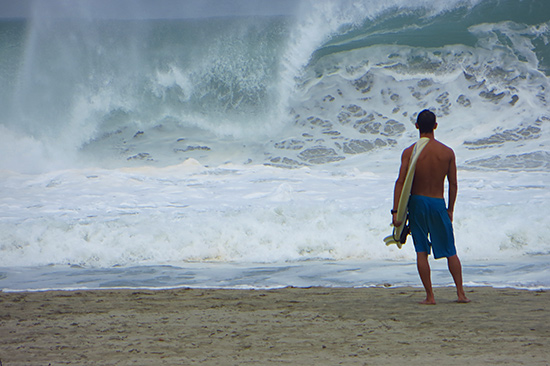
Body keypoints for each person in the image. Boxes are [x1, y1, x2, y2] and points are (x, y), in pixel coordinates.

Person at [392, 109, 470, 305]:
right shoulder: (447, 153)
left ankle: (430, 296)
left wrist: (396, 212)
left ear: (416, 126)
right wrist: (450, 209)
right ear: (435, 126)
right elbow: (453, 184)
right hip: (438, 203)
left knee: (421, 251)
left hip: (417, 203)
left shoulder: (410, 152)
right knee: (451, 250)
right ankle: (460, 293)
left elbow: (400, 182)